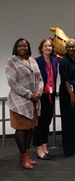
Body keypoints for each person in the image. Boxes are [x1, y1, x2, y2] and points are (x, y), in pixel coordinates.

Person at [5, 38, 43, 169]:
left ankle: (27, 155)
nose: (23, 48)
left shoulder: (32, 61)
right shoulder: (11, 62)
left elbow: (40, 79)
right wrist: (29, 94)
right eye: (20, 46)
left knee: (30, 129)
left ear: (28, 47)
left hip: (33, 101)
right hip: (19, 102)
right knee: (21, 129)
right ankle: (23, 157)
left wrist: (39, 92)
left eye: (25, 45)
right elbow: (13, 83)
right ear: (16, 47)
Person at [33, 39, 58, 160]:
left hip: (51, 95)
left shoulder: (54, 61)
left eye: (50, 46)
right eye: (45, 46)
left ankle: (45, 147)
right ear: (41, 48)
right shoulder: (36, 61)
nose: (48, 47)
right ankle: (39, 150)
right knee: (39, 123)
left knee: (47, 122)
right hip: (41, 95)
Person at [59, 38, 75, 157]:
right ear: (65, 48)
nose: (71, 48)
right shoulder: (64, 61)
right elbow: (65, 79)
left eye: (73, 46)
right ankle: (69, 150)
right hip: (67, 92)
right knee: (68, 121)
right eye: (68, 46)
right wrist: (72, 95)